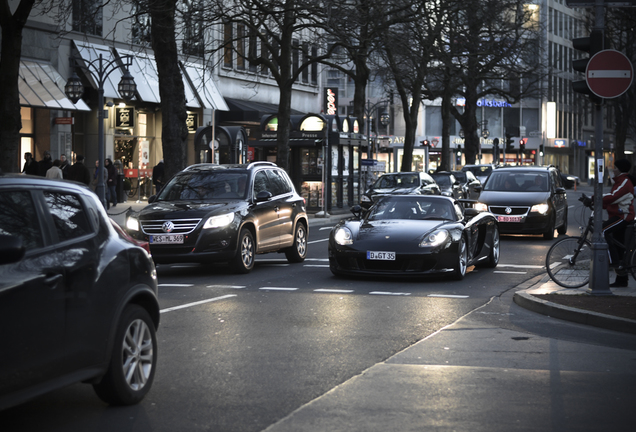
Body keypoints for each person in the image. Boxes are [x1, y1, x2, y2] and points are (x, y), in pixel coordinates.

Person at [600, 159, 635, 287]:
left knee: (603, 230)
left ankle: (612, 261)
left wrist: (596, 198)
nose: (613, 170)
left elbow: (614, 196)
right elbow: (613, 199)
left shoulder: (625, 181)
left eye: (615, 168)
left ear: (620, 169)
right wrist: (597, 203)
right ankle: (622, 280)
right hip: (617, 215)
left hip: (623, 216)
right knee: (619, 247)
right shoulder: (620, 181)